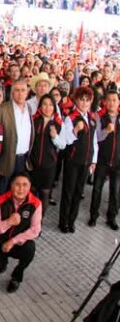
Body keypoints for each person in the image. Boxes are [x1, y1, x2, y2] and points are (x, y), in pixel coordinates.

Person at [0, 172, 41, 293]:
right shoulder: (0, 200)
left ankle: (16, 277)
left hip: (18, 243)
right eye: (17, 185)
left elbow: (35, 230)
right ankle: (3, 259)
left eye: (25, 185)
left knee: (30, 248)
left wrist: (13, 241)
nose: (21, 189)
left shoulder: (36, 203)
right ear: (11, 185)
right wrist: (8, 222)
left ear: (29, 186)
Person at [59, 86, 98, 233]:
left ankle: (71, 221)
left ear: (91, 101)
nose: (84, 103)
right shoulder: (71, 118)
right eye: (82, 100)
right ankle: (63, 222)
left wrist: (93, 160)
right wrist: (76, 130)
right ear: (76, 100)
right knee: (68, 191)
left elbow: (94, 141)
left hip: (86, 161)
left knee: (78, 192)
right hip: (73, 160)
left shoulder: (93, 118)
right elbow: (66, 140)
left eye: (87, 100)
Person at [29, 94, 65, 214]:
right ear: (40, 106)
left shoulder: (58, 123)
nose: (47, 107)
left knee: (45, 193)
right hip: (33, 163)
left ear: (54, 107)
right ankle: (30, 218)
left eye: (50, 105)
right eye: (44, 104)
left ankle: (39, 220)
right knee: (32, 191)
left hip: (49, 165)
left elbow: (62, 145)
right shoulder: (34, 120)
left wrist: (55, 137)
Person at [0, 79, 33, 194]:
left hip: (23, 159)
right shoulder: (2, 109)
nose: (20, 93)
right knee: (3, 190)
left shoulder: (29, 108)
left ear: (27, 93)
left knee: (18, 191)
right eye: (17, 90)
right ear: (12, 93)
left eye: (23, 90)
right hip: (6, 158)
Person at [90, 90, 120, 230]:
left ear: (118, 102)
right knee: (97, 188)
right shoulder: (99, 116)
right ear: (105, 102)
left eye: (114, 100)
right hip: (102, 159)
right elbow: (96, 138)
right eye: (109, 100)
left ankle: (111, 217)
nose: (112, 103)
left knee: (115, 190)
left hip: (118, 161)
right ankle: (93, 215)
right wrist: (106, 131)